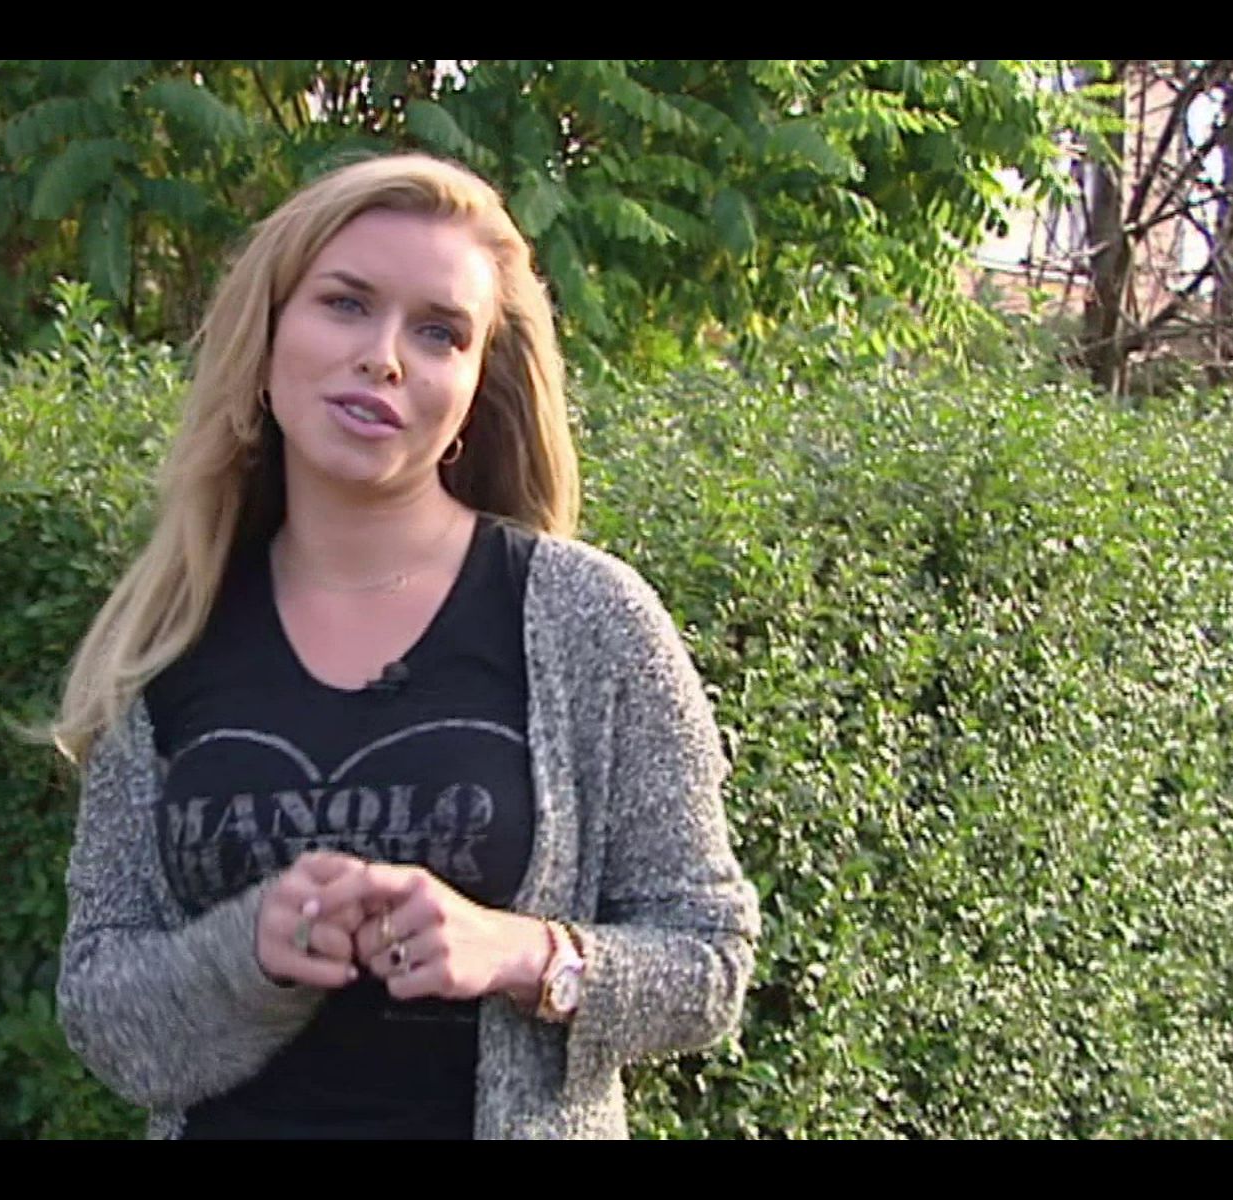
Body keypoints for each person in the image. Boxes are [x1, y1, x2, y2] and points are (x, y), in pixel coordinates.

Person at [49, 152, 760, 1140]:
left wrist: (519, 953)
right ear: (267, 334)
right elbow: (101, 1012)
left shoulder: (588, 620)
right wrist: (246, 952)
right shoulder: (172, 632)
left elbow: (710, 960)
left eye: (439, 332)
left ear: (475, 384)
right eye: (345, 304)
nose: (384, 357)